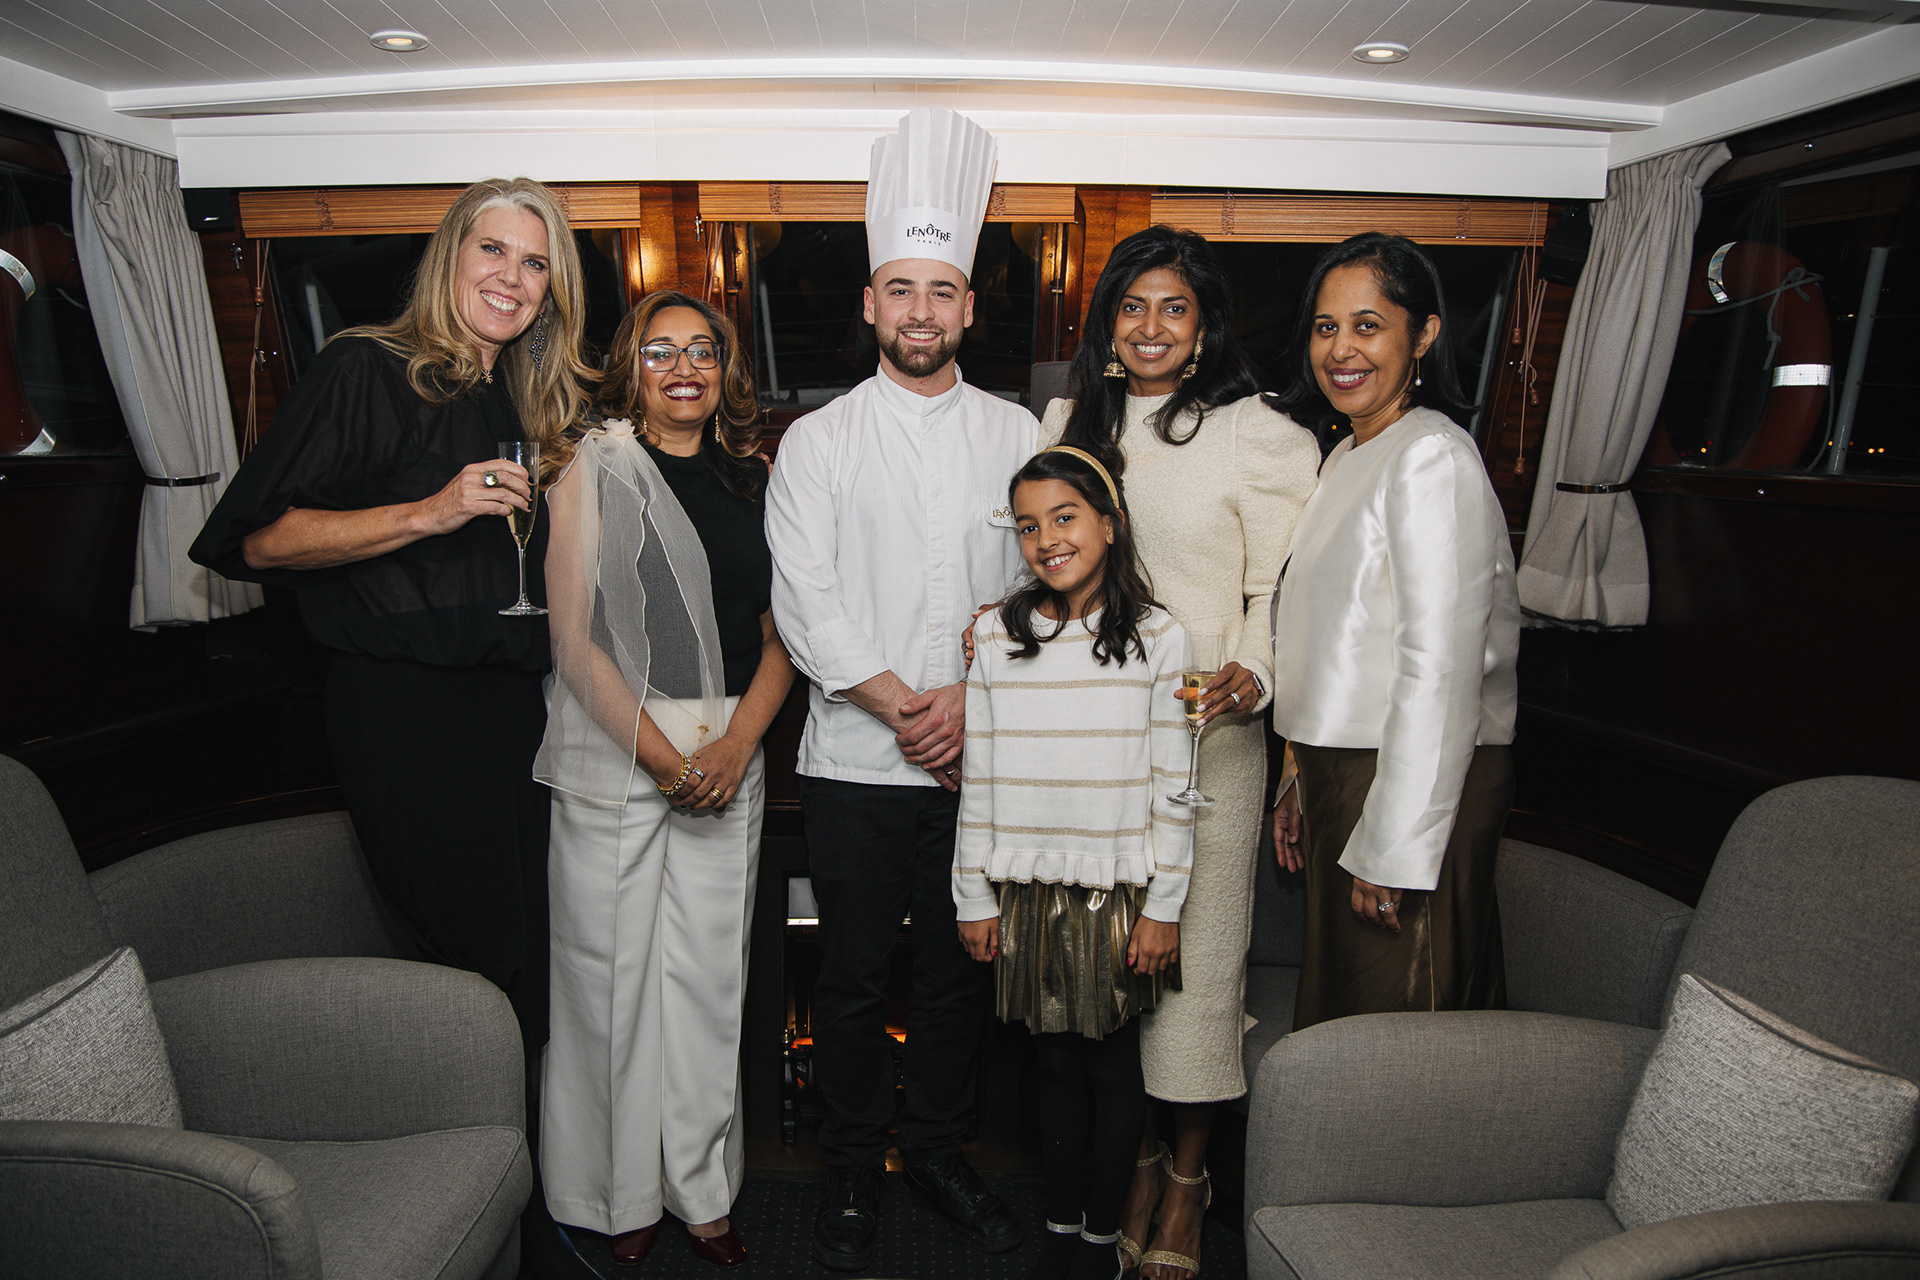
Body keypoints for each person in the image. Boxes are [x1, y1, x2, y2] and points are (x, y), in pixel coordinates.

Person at [189, 177, 595, 1054]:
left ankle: (527, 1137)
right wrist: (430, 511)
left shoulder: (524, 399)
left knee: (537, 951)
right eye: (493, 249)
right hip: (407, 709)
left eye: (535, 264)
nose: (512, 277)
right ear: (450, 256)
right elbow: (260, 541)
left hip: (516, 710)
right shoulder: (365, 368)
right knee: (476, 951)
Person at [765, 108, 1036, 1272]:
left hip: (978, 757)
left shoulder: (1020, 433)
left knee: (958, 971)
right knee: (853, 970)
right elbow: (807, 601)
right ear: (871, 304)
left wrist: (967, 704)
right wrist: (904, 707)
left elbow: (1045, 588)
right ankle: (848, 1162)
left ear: (968, 308)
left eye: (942, 291)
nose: (921, 311)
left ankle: (932, 1148)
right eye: (901, 290)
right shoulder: (817, 441)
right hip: (852, 763)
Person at [1039, 224, 1319, 1280]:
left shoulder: (1261, 435)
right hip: (1092, 746)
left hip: (1213, 739)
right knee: (1116, 968)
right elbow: (1045, 558)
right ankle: (1138, 1158)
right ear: (1107, 323)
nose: (1151, 327)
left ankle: (1187, 1182)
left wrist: (1256, 671)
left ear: (1205, 328)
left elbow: (1278, 588)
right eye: (1132, 305)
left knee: (1197, 970)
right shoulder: (1072, 422)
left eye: (1174, 308)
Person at [534, 290, 794, 1269]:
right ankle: (614, 1193)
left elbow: (783, 634)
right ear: (628, 367)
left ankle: (702, 1189)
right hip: (617, 740)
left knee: (709, 978)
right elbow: (573, 637)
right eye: (660, 351)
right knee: (608, 978)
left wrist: (735, 746)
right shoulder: (589, 467)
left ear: (726, 369)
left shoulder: (757, 479)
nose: (684, 367)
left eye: (703, 350)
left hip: (730, 743)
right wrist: (663, 757)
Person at [1268, 231, 1519, 1033]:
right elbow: (1327, 635)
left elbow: (1439, 668)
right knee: (1345, 1008)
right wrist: (1297, 774)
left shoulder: (1433, 457)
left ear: (1425, 334)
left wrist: (1397, 845)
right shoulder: (1347, 456)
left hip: (1408, 775)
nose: (1341, 349)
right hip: (1342, 770)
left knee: (1399, 1019)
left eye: (1368, 325)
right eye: (1326, 326)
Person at [954, 447, 1192, 1280]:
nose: (1047, 539)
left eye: (1065, 517)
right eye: (1028, 526)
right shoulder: (998, 634)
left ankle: (1100, 1239)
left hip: (1117, 891)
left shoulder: (1159, 637)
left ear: (1110, 524)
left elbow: (1176, 783)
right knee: (1050, 1063)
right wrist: (972, 895)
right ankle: (1061, 1231)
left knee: (1113, 1067)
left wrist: (1164, 907)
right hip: (1024, 887)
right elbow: (980, 775)